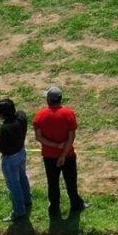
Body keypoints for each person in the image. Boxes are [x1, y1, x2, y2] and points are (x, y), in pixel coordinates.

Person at [33, 88, 82, 217]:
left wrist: (55, 145)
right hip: (68, 155)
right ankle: (76, 204)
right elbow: (71, 137)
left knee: (52, 183)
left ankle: (54, 207)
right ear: (60, 98)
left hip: (49, 156)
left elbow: (38, 137)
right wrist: (63, 155)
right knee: (71, 181)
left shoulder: (39, 115)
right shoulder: (69, 114)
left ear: (48, 99)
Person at [0, 98, 32, 224]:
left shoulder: (5, 128)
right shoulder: (22, 116)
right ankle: (27, 200)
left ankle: (19, 211)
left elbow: (2, 148)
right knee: (23, 177)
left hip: (10, 158)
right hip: (21, 152)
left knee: (14, 185)